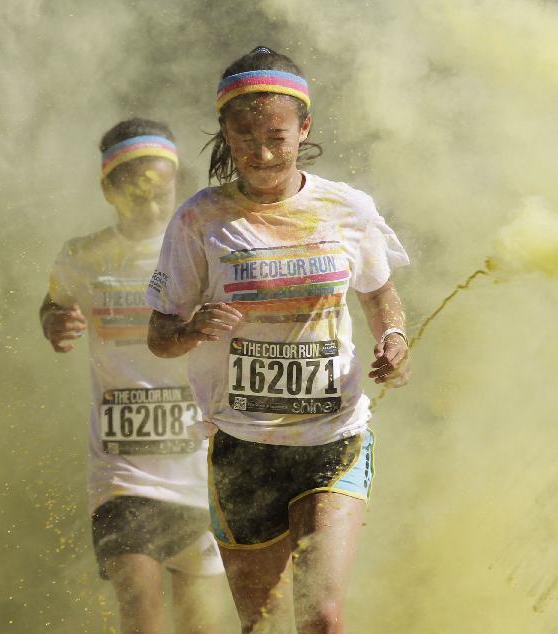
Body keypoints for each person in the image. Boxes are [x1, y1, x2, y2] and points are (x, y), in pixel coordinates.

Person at [146, 47, 411, 633]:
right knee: (261, 625)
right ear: (224, 132)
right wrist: (191, 330)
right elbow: (160, 336)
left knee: (321, 618)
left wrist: (393, 338)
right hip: (244, 448)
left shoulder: (348, 209)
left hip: (332, 438)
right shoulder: (199, 220)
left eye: (277, 136)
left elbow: (379, 294)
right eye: (244, 137)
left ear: (304, 129)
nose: (262, 153)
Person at [40, 118, 229, 634]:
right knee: (141, 619)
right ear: (107, 190)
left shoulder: (200, 251)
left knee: (200, 627)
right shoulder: (83, 257)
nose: (149, 208)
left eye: (161, 196)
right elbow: (52, 304)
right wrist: (55, 322)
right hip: (121, 477)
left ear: (176, 188)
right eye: (134, 196)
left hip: (198, 473)